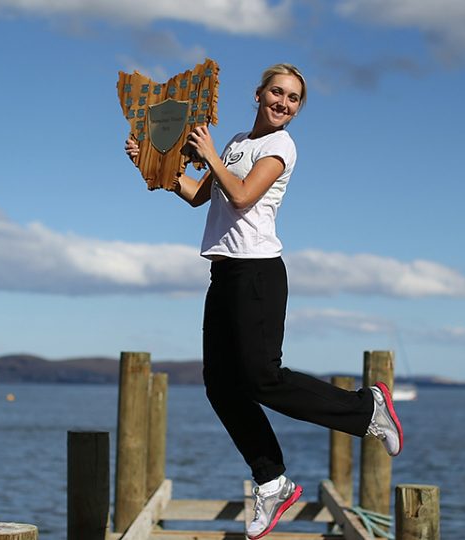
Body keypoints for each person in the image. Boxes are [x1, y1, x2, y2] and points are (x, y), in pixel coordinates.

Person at [125, 63, 403, 540]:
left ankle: (368, 408)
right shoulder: (236, 143)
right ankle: (273, 480)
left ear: (297, 109)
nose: (283, 103)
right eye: (277, 92)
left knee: (262, 378)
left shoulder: (281, 146)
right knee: (220, 385)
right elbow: (200, 197)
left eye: (293, 99)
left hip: (259, 274)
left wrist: (209, 153)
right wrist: (154, 169)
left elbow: (241, 197)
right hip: (224, 273)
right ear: (258, 94)